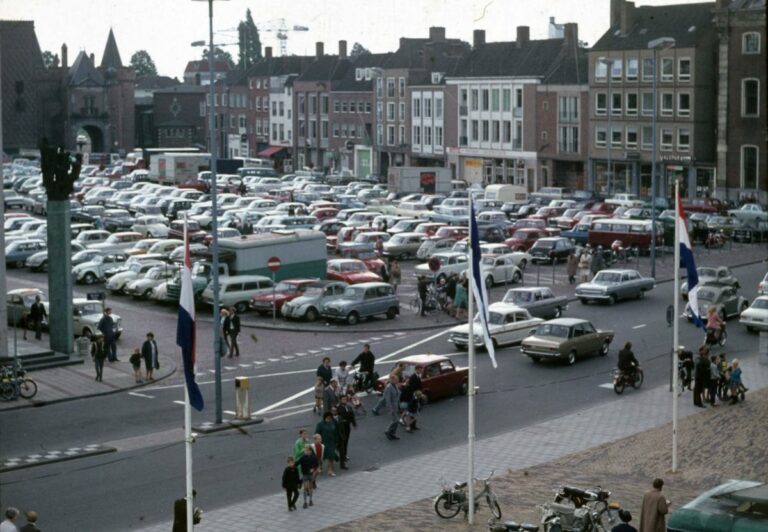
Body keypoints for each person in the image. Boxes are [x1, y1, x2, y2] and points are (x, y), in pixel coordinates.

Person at [335, 394, 356, 469]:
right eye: (343, 399)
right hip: (341, 426)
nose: (344, 400)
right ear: (340, 400)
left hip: (347, 425)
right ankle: (342, 456)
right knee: (342, 442)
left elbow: (352, 415)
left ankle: (344, 455)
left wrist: (354, 423)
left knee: (346, 441)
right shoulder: (338, 408)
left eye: (345, 399)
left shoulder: (348, 406)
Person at [383, 374, 402, 440]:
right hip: (392, 407)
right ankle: (388, 431)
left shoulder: (395, 385)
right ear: (392, 380)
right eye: (396, 379)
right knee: (396, 420)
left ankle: (392, 433)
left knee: (395, 421)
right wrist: (391, 409)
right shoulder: (388, 387)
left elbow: (398, 394)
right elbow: (388, 399)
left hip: (396, 405)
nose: (398, 380)